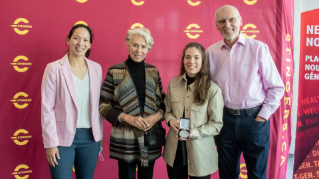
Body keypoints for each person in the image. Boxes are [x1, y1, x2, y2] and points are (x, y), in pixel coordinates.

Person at [206, 5, 285, 179]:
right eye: (222, 21)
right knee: (227, 175)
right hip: (224, 122)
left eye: (231, 19)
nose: (227, 24)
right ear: (217, 25)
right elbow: (205, 89)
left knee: (257, 175)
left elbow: (276, 87)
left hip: (254, 120)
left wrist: (262, 116)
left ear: (240, 21)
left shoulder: (258, 49)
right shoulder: (210, 53)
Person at [99, 27, 165, 179]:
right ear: (128, 45)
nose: (138, 50)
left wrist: (156, 117)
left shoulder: (153, 72)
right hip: (125, 139)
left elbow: (163, 103)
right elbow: (102, 104)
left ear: (148, 49)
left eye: (143, 46)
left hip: (150, 137)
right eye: (135, 45)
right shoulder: (114, 71)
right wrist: (127, 118)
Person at [41, 24, 104, 179]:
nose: (80, 43)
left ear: (89, 45)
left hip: (90, 138)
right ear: (68, 40)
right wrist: (50, 143)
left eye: (85, 40)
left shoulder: (96, 69)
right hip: (61, 138)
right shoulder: (54, 68)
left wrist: (99, 135)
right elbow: (47, 107)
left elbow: (98, 106)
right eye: (76, 38)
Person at [163, 42, 224, 179]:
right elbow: (166, 111)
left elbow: (216, 125)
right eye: (187, 57)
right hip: (175, 152)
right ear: (183, 59)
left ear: (203, 61)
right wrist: (170, 120)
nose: (191, 61)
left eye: (196, 57)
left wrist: (194, 132)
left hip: (200, 154)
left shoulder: (213, 90)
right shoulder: (173, 84)